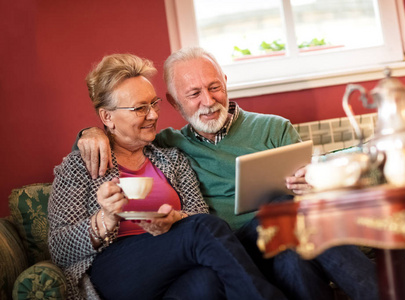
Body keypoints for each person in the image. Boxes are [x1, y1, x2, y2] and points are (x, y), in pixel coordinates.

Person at [76, 48, 379, 299]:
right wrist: (91, 132)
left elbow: (321, 200)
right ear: (173, 102)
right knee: (282, 212)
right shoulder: (168, 145)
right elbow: (123, 134)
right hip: (234, 251)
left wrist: (312, 186)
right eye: (193, 93)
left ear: (225, 81)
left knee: (290, 239)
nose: (207, 102)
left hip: (293, 237)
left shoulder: (275, 128)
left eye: (214, 87)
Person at [48, 53, 288, 300]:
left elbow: (198, 215)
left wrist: (176, 218)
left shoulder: (172, 158)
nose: (152, 115)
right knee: (204, 229)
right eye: (140, 108)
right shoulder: (79, 166)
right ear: (107, 117)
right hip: (115, 271)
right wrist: (105, 219)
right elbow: (58, 248)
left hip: (173, 268)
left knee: (207, 282)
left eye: (153, 103)